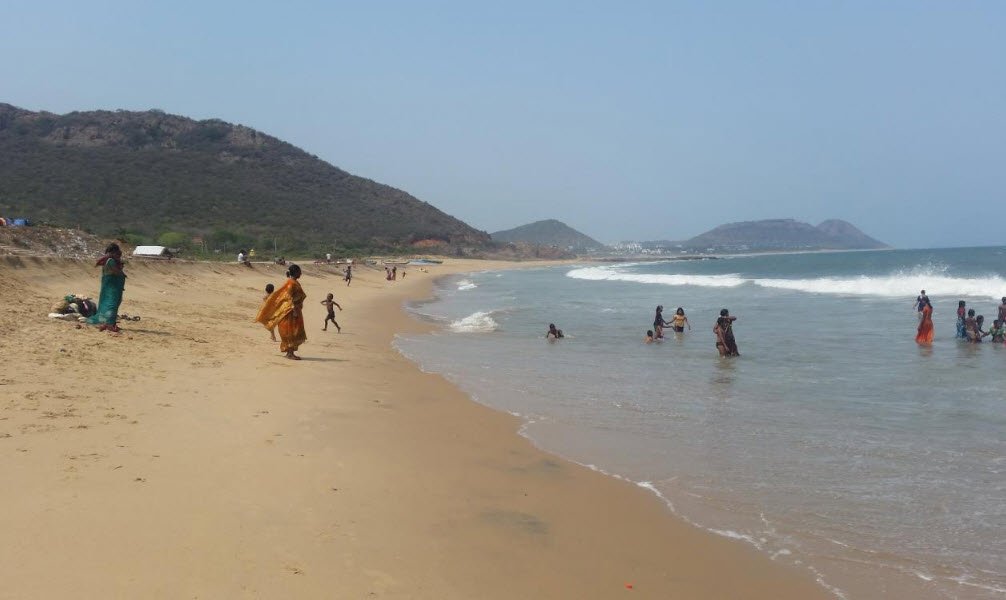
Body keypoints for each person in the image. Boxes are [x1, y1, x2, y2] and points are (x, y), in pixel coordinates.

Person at [256, 264, 307, 360]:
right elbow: (288, 298)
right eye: (299, 271)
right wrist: (294, 310)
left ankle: (290, 352)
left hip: (295, 310)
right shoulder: (291, 283)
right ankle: (290, 353)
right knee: (291, 331)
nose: (301, 273)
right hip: (291, 312)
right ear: (295, 272)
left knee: (294, 331)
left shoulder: (294, 282)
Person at [87, 243, 127, 332]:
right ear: (114, 252)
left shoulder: (109, 260)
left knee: (110, 303)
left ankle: (110, 323)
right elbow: (116, 272)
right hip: (111, 287)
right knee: (111, 304)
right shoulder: (110, 261)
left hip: (111, 286)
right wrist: (121, 269)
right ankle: (109, 324)